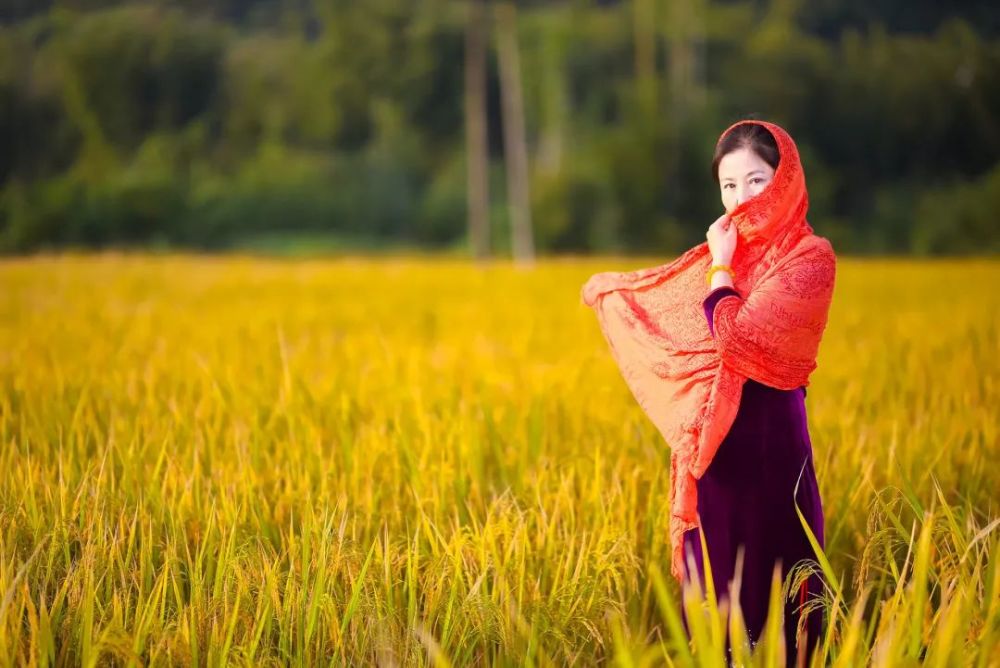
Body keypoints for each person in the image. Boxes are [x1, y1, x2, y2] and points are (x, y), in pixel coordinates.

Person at [580, 119, 836, 666]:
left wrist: (719, 265)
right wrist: (614, 293)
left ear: (786, 178)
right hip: (715, 456)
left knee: (782, 605)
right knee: (717, 607)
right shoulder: (722, 257)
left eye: (756, 180)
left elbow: (736, 336)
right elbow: (678, 323)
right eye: (728, 185)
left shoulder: (810, 259)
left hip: (774, 456)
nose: (741, 198)